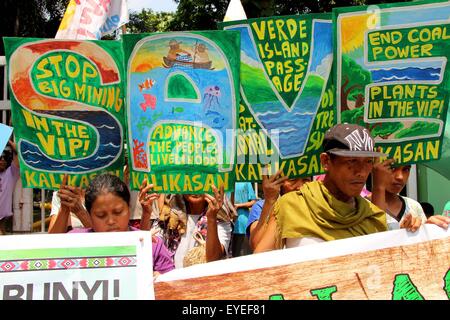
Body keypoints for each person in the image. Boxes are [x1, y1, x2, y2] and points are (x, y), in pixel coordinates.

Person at [254, 123, 388, 252]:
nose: (362, 172)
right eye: (352, 161)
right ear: (326, 161)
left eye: (368, 161)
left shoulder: (372, 216)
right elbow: (260, 263)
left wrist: (408, 233)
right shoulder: (292, 205)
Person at [69, 173, 174, 276]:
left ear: (129, 208)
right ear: (89, 215)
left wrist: (160, 282)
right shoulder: (72, 243)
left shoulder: (152, 245)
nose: (111, 221)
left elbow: (174, 285)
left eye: (118, 212)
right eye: (101, 215)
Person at [150, 186, 233, 268]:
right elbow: (149, 244)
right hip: (172, 279)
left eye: (201, 182)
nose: (195, 188)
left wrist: (212, 218)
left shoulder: (220, 218)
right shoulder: (169, 215)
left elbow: (214, 259)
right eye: (190, 182)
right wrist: (146, 213)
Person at [371, 161, 450, 230]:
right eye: (392, 168)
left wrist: (428, 228)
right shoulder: (363, 207)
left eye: (406, 169)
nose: (400, 177)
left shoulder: (414, 206)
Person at [246, 170, 312, 251]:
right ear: (278, 182)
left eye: (306, 180)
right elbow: (256, 245)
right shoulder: (261, 206)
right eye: (292, 179)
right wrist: (269, 202)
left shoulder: (316, 204)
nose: (299, 186)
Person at [231, 182, 257, 257]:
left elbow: (253, 201)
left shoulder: (245, 182)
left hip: (242, 225)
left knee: (244, 256)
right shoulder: (226, 181)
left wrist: (238, 205)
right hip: (226, 225)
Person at [0, 140, 20, 235]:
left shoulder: (11, 173)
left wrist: (9, 142)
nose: (3, 160)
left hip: (2, 222)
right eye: (0, 157)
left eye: (5, 157)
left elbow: (20, 156)